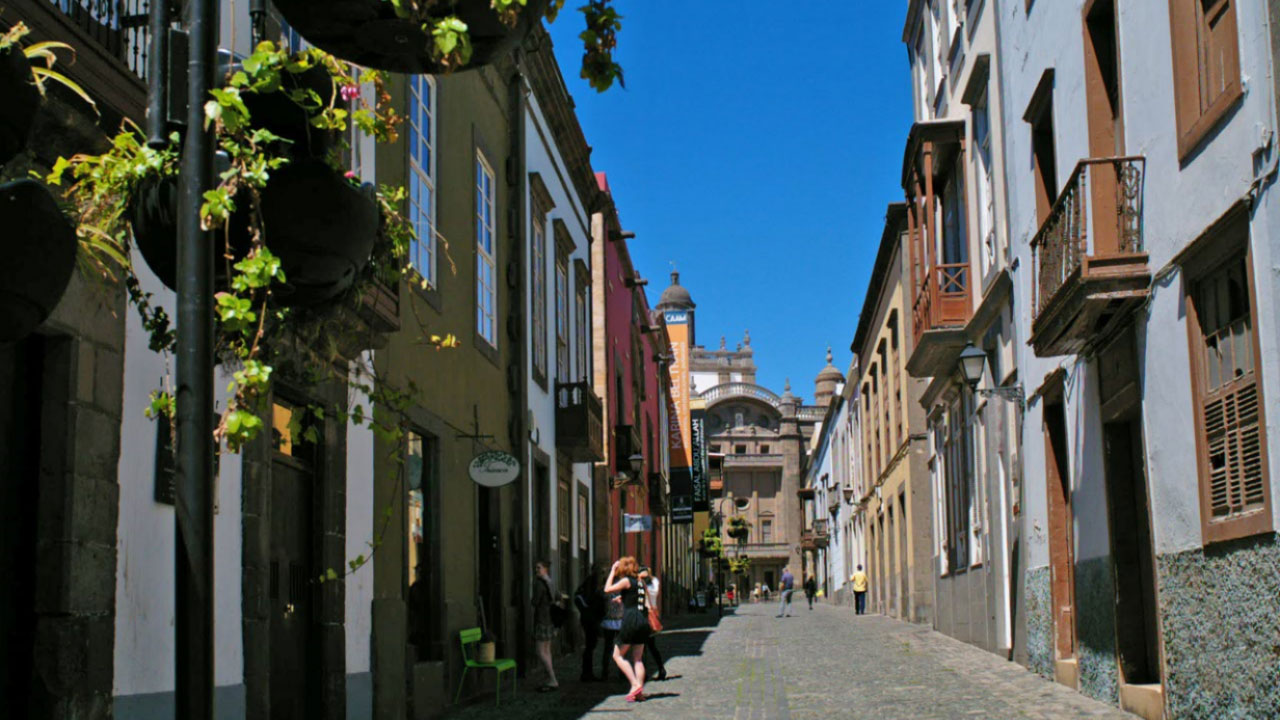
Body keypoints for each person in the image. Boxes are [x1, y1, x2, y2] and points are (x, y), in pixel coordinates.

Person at [604, 556, 650, 702]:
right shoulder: (641, 582)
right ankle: (639, 693)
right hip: (643, 620)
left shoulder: (626, 581)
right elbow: (641, 599)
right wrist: (623, 599)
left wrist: (612, 571)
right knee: (638, 659)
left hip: (631, 620)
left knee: (617, 656)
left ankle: (635, 684)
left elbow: (607, 589)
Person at [531, 560, 560, 692]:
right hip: (550, 619)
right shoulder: (551, 582)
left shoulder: (539, 584)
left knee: (540, 651)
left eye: (539, 568)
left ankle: (552, 678)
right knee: (547, 650)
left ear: (545, 569)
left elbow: (535, 602)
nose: (536, 570)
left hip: (542, 619)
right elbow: (558, 596)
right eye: (536, 568)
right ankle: (550, 678)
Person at [574, 565, 606, 681]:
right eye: (601, 572)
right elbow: (579, 597)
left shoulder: (592, 583)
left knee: (590, 646)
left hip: (590, 618)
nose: (602, 574)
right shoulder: (591, 583)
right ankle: (586, 673)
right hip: (590, 619)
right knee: (590, 645)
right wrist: (587, 610)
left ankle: (587, 672)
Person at [638, 567, 667, 681]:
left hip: (647, 615)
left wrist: (643, 580)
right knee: (648, 646)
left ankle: (656, 670)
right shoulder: (649, 582)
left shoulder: (650, 582)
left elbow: (652, 594)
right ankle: (658, 669)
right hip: (646, 614)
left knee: (647, 645)